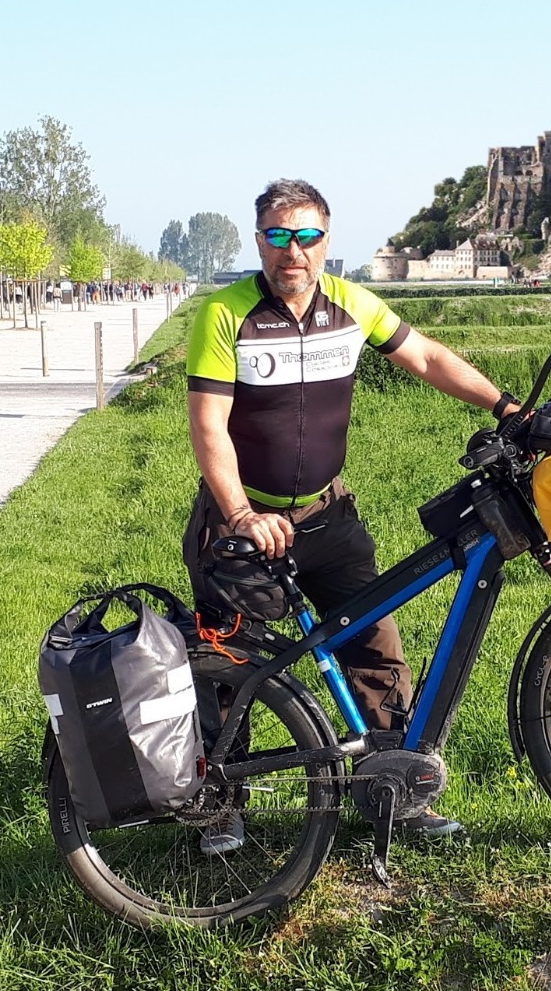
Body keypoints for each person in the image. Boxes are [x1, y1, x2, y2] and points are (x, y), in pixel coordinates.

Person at [183, 178, 519, 853]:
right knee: (228, 666)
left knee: (374, 651)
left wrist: (506, 408)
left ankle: (399, 791)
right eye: (278, 235)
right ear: (259, 242)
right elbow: (208, 427)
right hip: (240, 525)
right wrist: (242, 513)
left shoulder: (351, 304)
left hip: (328, 518)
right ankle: (218, 802)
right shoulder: (226, 315)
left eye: (306, 235)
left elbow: (425, 356)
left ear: (326, 242)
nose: (293, 251)